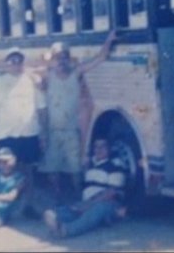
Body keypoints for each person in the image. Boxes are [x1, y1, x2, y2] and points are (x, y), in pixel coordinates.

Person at [38, 31, 117, 201]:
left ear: (69, 58)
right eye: (58, 57)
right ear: (53, 59)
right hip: (52, 129)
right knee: (52, 167)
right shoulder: (47, 76)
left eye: (64, 56)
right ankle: (57, 195)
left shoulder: (77, 73)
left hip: (72, 129)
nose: (61, 60)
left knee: (75, 167)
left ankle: (78, 195)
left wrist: (108, 41)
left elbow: (100, 58)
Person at [0, 47, 47, 216]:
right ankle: (4, 207)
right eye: (12, 61)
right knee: (7, 171)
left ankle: (28, 206)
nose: (16, 64)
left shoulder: (32, 81)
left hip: (29, 133)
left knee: (28, 172)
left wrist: (43, 133)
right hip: (6, 135)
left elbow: (41, 108)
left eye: (19, 61)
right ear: (5, 64)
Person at [42, 136, 127, 238]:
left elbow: (112, 192)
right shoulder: (90, 164)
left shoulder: (115, 164)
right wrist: (83, 205)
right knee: (61, 211)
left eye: (102, 147)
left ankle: (67, 230)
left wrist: (90, 204)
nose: (99, 150)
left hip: (109, 204)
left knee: (98, 208)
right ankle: (56, 220)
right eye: (96, 147)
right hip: (88, 203)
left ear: (109, 148)